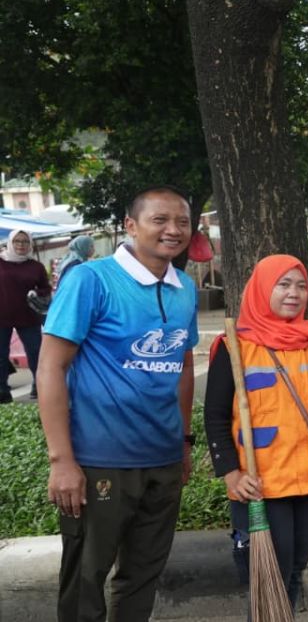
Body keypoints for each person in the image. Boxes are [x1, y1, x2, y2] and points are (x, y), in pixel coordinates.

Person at [37, 186, 198, 622]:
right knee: (86, 577)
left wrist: (183, 441)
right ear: (130, 226)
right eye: (159, 220)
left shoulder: (184, 287)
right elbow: (51, 368)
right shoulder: (91, 280)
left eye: (182, 221)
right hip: (100, 461)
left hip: (162, 459)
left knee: (144, 575)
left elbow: (183, 365)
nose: (173, 230)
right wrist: (61, 461)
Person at [203, 255, 308, 610]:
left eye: (301, 285)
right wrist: (230, 472)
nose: (294, 293)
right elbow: (215, 416)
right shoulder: (235, 346)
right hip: (262, 482)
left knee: (293, 573)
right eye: (283, 284)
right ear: (263, 288)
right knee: (268, 580)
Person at [0, 229, 51, 402]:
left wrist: (37, 293)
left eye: (25, 241)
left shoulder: (35, 266)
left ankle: (39, 386)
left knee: (36, 353)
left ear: (30, 244)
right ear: (10, 243)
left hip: (28, 317)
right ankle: (2, 391)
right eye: (17, 241)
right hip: (2, 317)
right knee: (0, 354)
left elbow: (46, 288)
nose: (21, 245)